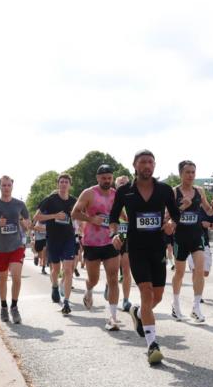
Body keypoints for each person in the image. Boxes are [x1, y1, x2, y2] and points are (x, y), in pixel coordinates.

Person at [109, 150, 181, 365]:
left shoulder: (165, 190)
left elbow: (175, 214)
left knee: (156, 297)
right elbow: (113, 217)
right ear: (135, 165)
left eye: (150, 162)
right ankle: (152, 345)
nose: (147, 166)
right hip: (136, 248)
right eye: (143, 162)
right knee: (146, 293)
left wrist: (171, 224)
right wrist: (114, 234)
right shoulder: (124, 191)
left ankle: (137, 312)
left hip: (158, 248)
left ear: (154, 165)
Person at [72, 165, 123, 329]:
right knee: (93, 279)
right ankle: (89, 290)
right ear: (97, 178)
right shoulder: (89, 193)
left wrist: (128, 221)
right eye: (104, 178)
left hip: (110, 241)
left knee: (113, 278)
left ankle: (113, 317)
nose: (107, 181)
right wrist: (91, 219)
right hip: (92, 243)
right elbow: (74, 213)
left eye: (109, 178)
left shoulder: (116, 194)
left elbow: (122, 214)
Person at [170, 160, 213, 323]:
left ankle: (196, 307)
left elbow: (208, 210)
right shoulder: (174, 192)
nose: (191, 175)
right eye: (187, 172)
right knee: (180, 273)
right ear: (181, 174)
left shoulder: (199, 191)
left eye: (193, 172)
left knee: (199, 269)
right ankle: (175, 305)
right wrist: (182, 207)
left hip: (197, 235)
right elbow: (167, 216)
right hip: (180, 237)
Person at [0, 176, 31, 324]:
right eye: (4, 185)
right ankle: (4, 306)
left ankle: (14, 306)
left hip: (16, 246)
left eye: (9, 185)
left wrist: (26, 224)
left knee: (16, 276)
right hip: (1, 248)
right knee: (2, 278)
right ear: (0, 187)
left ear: (12, 186)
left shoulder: (20, 204)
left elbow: (28, 222)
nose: (6, 188)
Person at [37, 173, 79, 316]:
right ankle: (55, 286)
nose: (63, 184)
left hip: (68, 238)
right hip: (53, 239)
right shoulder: (50, 200)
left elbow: (81, 215)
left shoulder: (74, 201)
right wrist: (55, 216)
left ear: (70, 184)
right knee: (55, 270)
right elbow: (37, 217)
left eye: (66, 182)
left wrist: (83, 227)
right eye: (61, 182)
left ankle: (66, 301)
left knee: (68, 270)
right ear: (58, 184)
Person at [115, 174, 134, 313]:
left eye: (126, 183)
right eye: (121, 183)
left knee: (126, 269)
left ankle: (126, 299)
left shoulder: (134, 197)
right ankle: (109, 285)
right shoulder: (111, 198)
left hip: (128, 235)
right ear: (116, 186)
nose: (123, 185)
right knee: (113, 269)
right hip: (114, 235)